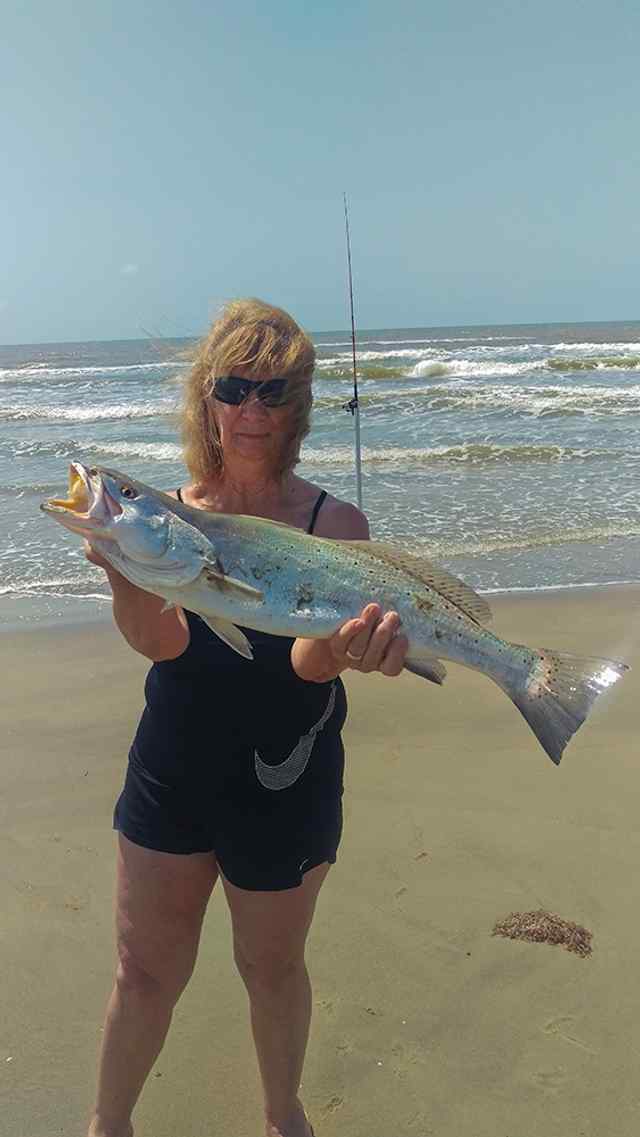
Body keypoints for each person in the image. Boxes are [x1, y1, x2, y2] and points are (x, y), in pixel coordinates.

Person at [84, 298, 409, 1137]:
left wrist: (346, 650)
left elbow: (304, 665)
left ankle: (281, 1117)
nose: (253, 409)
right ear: (208, 398)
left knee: (271, 967)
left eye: (274, 391)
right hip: (175, 763)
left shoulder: (335, 525)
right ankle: (107, 1125)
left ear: (298, 406)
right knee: (143, 970)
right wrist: (124, 569)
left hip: (287, 772)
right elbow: (160, 641)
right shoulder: (170, 517)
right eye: (235, 387)